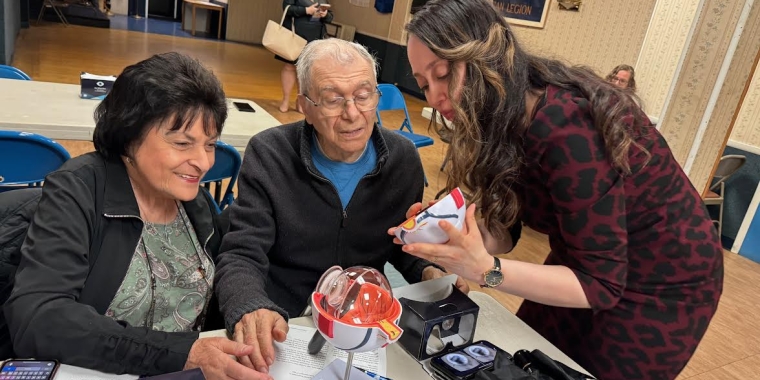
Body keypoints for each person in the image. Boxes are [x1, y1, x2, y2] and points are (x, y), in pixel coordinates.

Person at [397, 1, 724, 379]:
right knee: (530, 354)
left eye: (443, 74)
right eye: (424, 84)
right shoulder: (499, 113)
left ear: (487, 56)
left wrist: (487, 270)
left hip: (663, 282)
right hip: (589, 262)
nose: (436, 96)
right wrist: (456, 233)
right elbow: (505, 230)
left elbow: (599, 287)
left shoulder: (567, 127)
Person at [3, 52, 271, 380]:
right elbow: (39, 319)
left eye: (211, 144)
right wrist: (178, 354)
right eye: (183, 143)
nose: (203, 162)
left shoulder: (192, 200)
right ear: (130, 137)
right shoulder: (79, 190)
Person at [214, 38, 467, 375]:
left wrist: (429, 270)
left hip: (362, 324)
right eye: (333, 99)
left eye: (364, 96)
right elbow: (242, 253)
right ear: (305, 105)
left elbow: (399, 243)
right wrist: (249, 306)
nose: (352, 114)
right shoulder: (270, 153)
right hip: (284, 321)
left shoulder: (402, 158)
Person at [277, 0, 334, 113]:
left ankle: (300, 101)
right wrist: (306, 10)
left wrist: (325, 14)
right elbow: (287, 8)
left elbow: (330, 16)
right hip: (295, 34)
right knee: (290, 66)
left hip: (315, 36)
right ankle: (286, 100)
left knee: (305, 71)